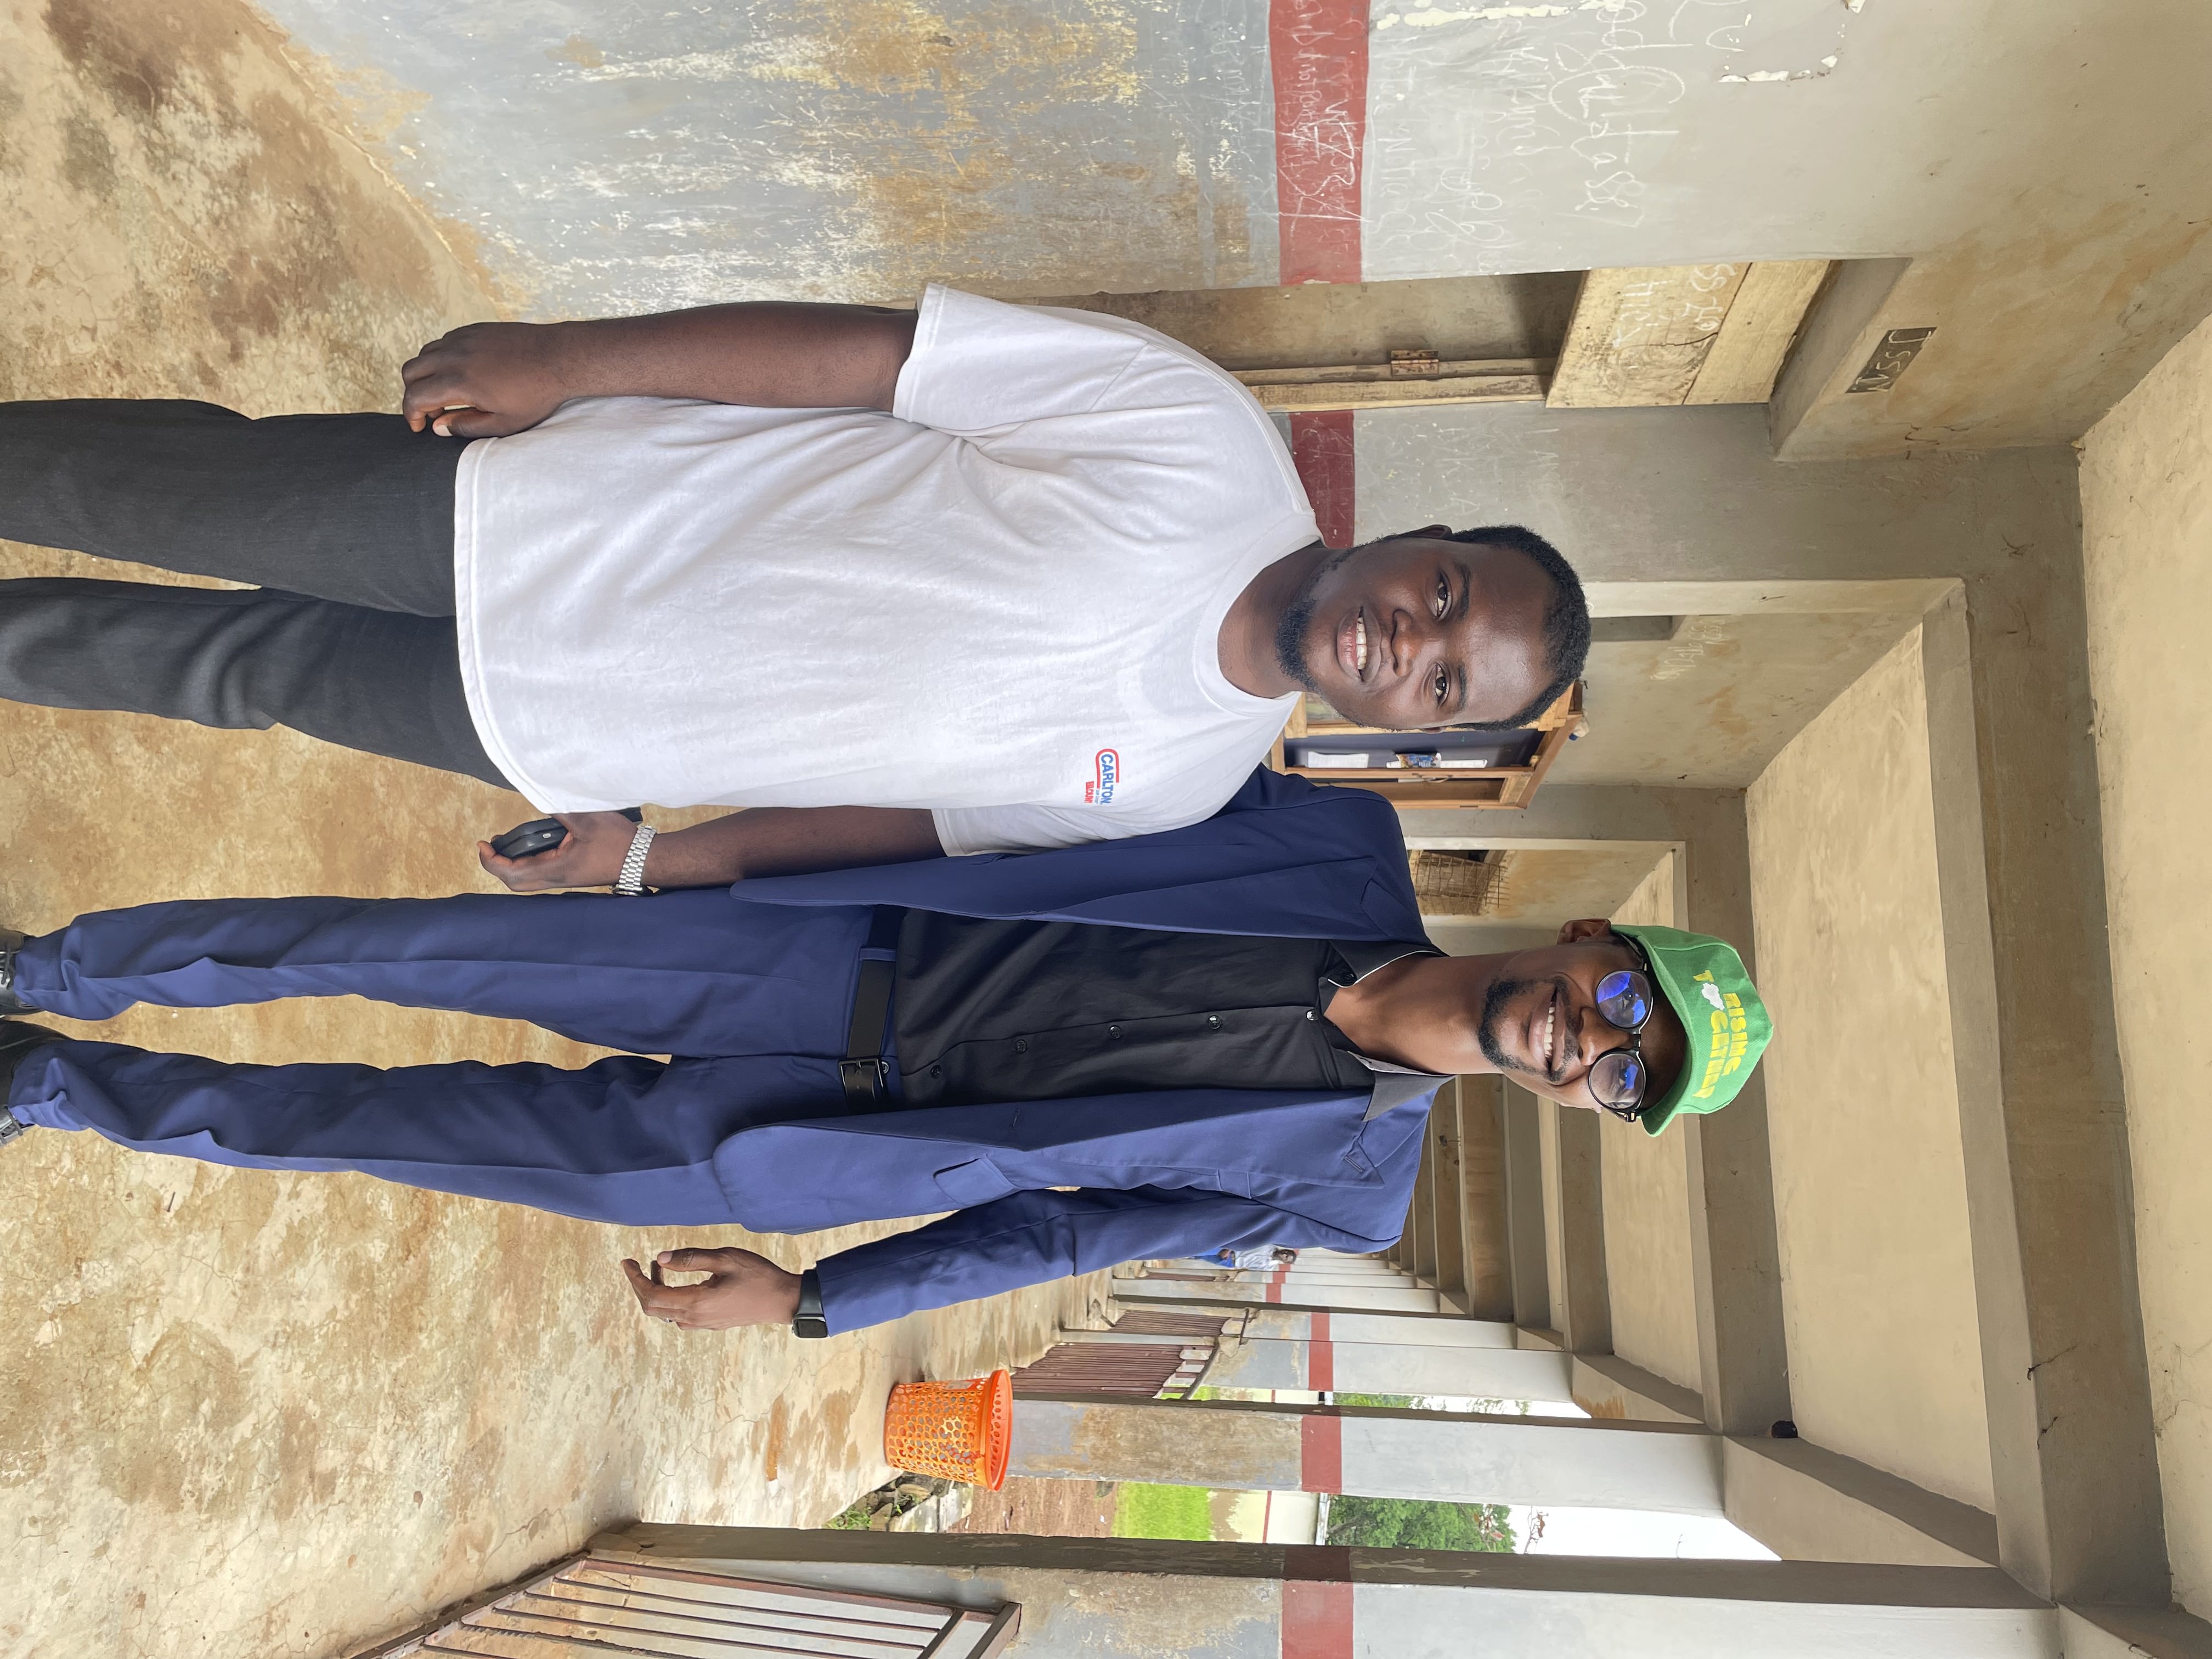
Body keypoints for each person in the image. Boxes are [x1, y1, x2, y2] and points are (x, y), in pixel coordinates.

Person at [0, 773, 1768, 1336]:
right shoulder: (1333, 840)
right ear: (1591, 942)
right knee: (380, 946)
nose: (1593, 1047)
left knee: (383, 1131)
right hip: (802, 950)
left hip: (794, 1140)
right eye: (1627, 1008)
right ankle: (50, 967)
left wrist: (815, 1302)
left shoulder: (1348, 1192)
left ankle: (55, 1081)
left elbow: (1059, 1232)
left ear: (1589, 1107)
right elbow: (993, 802)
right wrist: (674, 850)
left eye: (1631, 1078)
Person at [0, 291, 1590, 889]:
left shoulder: (1176, 785)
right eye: (1448, 593)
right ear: (1419, 537)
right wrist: (566, 360)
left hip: (543, 728)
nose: (1414, 644)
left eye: (1446, 684)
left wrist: (660, 857)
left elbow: (905, 823)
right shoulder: (1199, 433)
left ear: (1415, 729)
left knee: (221, 673)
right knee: (156, 492)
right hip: (530, 514)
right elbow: (872, 360)